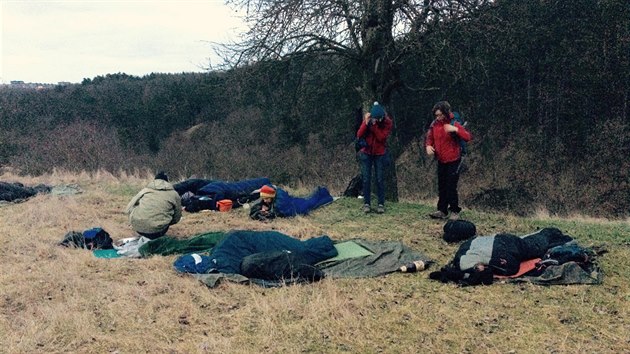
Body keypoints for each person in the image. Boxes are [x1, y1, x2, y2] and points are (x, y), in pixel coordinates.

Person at [425, 101, 472, 220]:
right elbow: (430, 137)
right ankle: (442, 210)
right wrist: (428, 146)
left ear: (446, 113)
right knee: (442, 186)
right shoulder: (434, 124)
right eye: (436, 115)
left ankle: (455, 211)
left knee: (451, 186)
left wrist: (456, 129)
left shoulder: (454, 123)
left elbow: (467, 136)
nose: (438, 117)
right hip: (441, 159)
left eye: (440, 115)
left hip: (454, 159)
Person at [356, 102, 393, 214]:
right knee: (366, 179)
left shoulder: (387, 123)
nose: (375, 120)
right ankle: (367, 203)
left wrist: (374, 126)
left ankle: (380, 203)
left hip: (379, 153)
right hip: (366, 152)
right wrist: (365, 123)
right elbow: (359, 134)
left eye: (377, 119)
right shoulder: (369, 121)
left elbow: (381, 137)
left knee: (379, 179)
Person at [125, 171, 182, 239]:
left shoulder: (145, 190)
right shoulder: (174, 194)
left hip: (139, 229)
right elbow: (177, 216)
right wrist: (167, 222)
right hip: (158, 231)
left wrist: (134, 219)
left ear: (155, 180)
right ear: (167, 181)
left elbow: (128, 208)